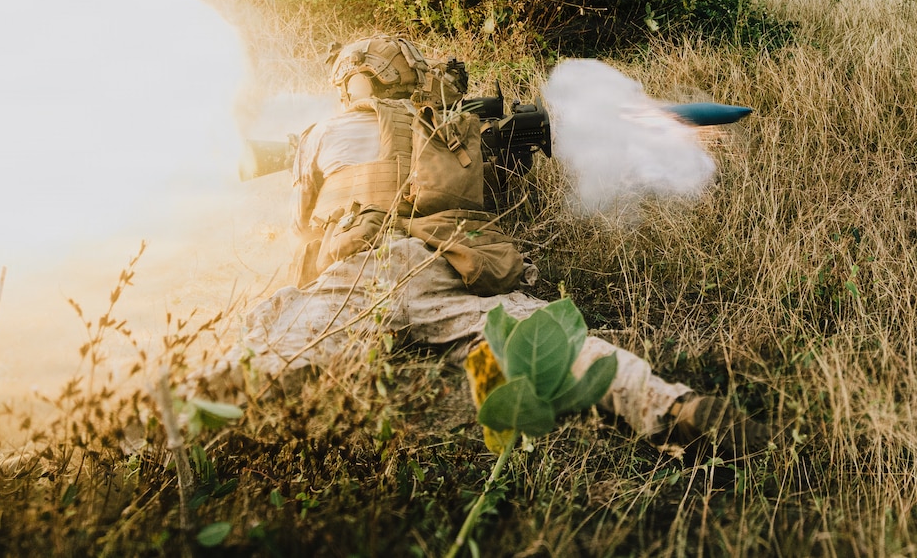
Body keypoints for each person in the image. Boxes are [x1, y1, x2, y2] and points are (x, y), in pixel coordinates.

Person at [198, 35, 769, 456]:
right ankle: (676, 407)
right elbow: (483, 195)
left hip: (360, 271)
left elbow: (305, 225)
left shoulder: (319, 135)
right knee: (540, 339)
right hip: (445, 260)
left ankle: (164, 423)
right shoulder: (447, 125)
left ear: (350, 83)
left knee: (272, 353)